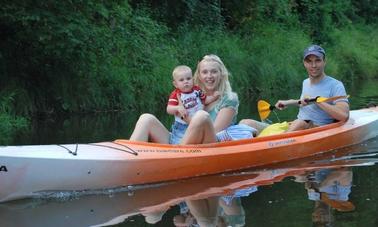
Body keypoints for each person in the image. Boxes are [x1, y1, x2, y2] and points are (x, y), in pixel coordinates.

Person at [275, 44, 349, 131]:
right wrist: (288, 102)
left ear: (324, 61)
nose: (313, 65)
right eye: (309, 61)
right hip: (295, 125)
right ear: (304, 63)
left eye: (317, 60)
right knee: (254, 124)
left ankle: (282, 141)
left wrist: (317, 100)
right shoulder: (305, 82)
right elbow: (306, 103)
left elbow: (344, 116)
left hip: (316, 129)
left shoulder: (336, 85)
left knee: (301, 123)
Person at [167, 65, 220, 144]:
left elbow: (205, 100)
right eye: (181, 80)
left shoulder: (197, 90)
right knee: (178, 142)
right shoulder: (176, 94)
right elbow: (169, 109)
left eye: (188, 78)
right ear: (175, 84)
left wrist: (214, 97)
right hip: (182, 127)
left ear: (193, 79)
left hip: (197, 123)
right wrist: (178, 108)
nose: (186, 81)